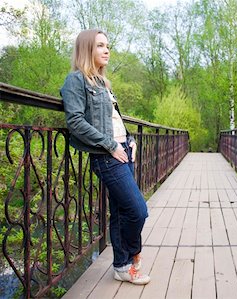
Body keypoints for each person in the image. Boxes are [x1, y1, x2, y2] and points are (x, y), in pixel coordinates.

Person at [60, 29, 150, 285]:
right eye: (100, 45)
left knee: (121, 212)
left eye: (107, 45)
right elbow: (75, 121)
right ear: (87, 49)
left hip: (123, 151)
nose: (107, 50)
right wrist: (111, 145)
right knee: (138, 211)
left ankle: (120, 267)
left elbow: (115, 120)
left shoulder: (102, 83)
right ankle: (134, 257)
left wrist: (129, 140)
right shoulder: (75, 81)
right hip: (107, 156)